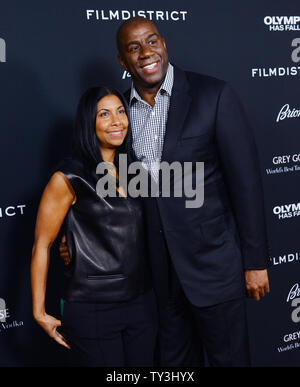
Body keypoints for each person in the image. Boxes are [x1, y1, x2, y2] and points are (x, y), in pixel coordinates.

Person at [60, 17, 270, 367]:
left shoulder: (213, 96)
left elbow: (246, 184)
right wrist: (76, 237)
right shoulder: (120, 114)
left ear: (164, 44)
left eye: (151, 41)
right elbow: (104, 181)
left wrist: (256, 262)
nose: (146, 52)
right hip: (157, 281)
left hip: (214, 269)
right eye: (133, 47)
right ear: (123, 61)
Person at [31, 86, 157, 367]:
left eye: (121, 111)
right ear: (89, 123)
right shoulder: (69, 177)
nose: (116, 121)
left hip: (142, 304)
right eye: (104, 114)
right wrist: (39, 311)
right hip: (93, 308)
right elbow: (42, 245)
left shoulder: (134, 170)